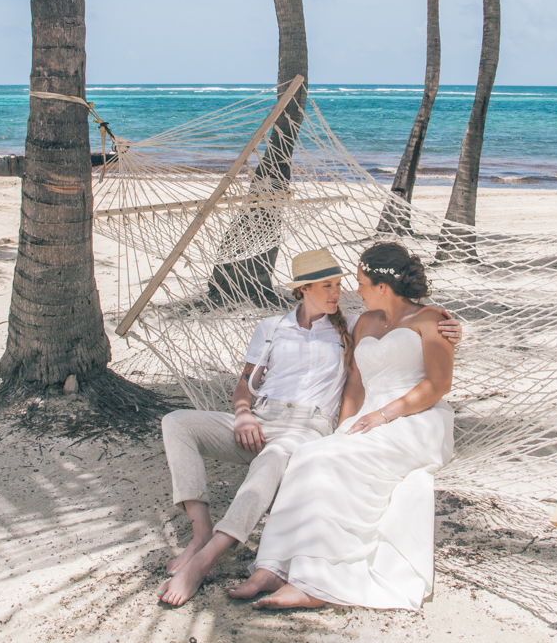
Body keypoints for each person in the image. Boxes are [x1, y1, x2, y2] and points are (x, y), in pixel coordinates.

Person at [156, 247, 461, 606]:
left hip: (346, 423)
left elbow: (430, 366)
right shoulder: (286, 328)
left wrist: (454, 328)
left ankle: (226, 562)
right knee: (181, 423)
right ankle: (227, 545)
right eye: (328, 286)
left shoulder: (350, 323)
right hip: (273, 417)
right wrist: (244, 413)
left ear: (380, 286)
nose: (342, 292)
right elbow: (254, 384)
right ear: (303, 289)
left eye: (348, 284)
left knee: (290, 459)